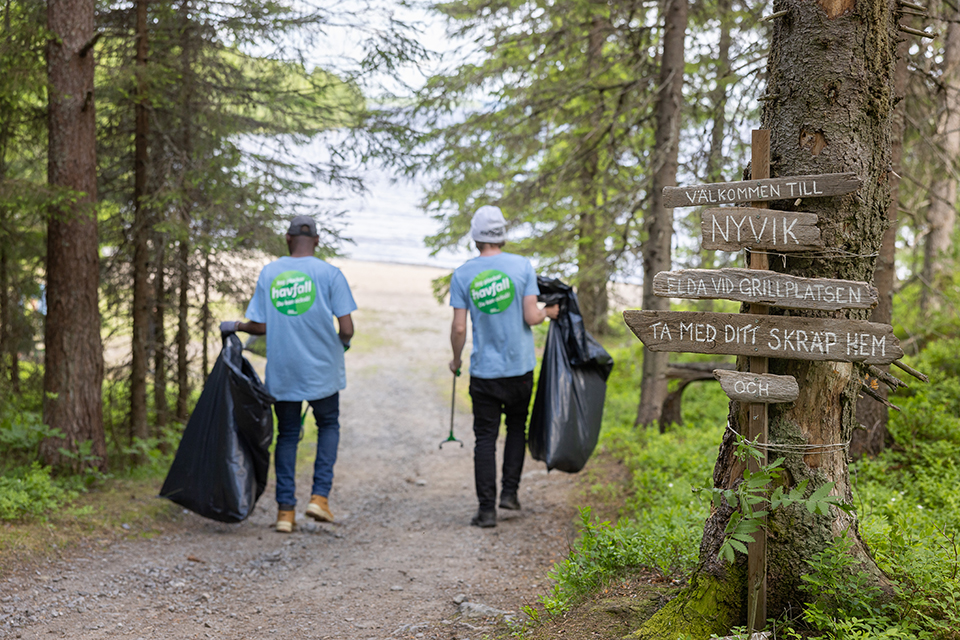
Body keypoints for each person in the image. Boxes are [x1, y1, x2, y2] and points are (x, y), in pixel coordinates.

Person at [221, 215, 356, 533]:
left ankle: (285, 512)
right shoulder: (331, 273)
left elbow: (262, 326)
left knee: (288, 435)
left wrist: (236, 326)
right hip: (323, 368)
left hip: (284, 370)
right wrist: (342, 345)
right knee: (328, 425)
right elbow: (347, 328)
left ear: (287, 238)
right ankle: (319, 498)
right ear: (317, 242)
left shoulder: (271, 272)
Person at [449, 205, 558, 528]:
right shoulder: (521, 266)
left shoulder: (463, 273)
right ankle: (509, 493)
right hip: (519, 369)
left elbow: (458, 329)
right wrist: (548, 312)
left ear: (475, 236)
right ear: (502, 234)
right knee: (515, 429)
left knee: (485, 438)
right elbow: (531, 316)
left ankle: (486, 511)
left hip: (484, 372)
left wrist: (456, 359)